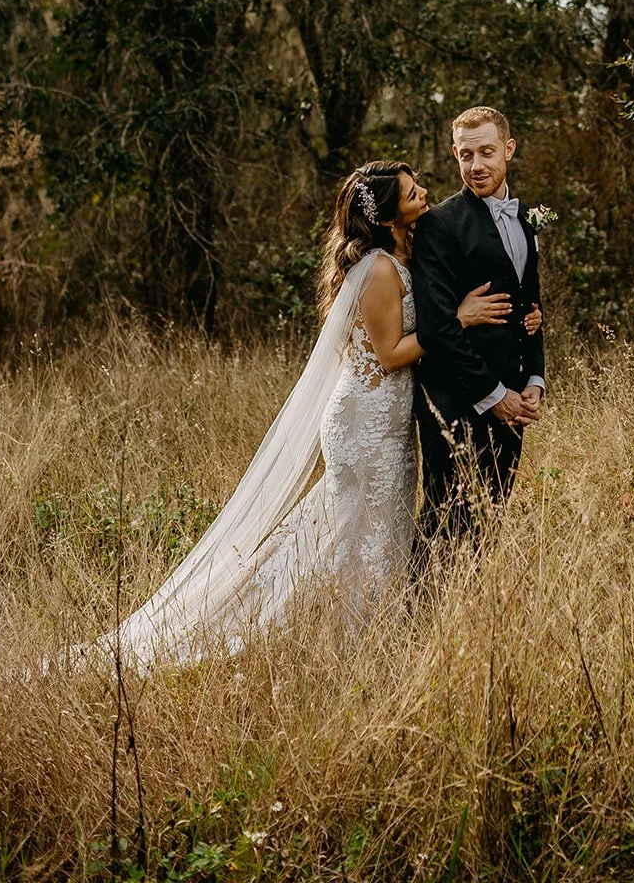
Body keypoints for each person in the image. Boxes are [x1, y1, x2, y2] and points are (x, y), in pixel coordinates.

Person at [92, 160, 506, 670]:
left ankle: (374, 645)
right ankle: (351, 650)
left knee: (379, 531)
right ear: (386, 213)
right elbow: (390, 353)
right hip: (365, 418)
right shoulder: (376, 268)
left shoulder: (408, 249)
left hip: (392, 418)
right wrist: (457, 321)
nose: (423, 192)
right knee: (362, 537)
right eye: (411, 190)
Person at [411, 106, 546, 550]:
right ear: (455, 153)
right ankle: (416, 620)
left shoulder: (527, 218)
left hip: (513, 405)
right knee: (442, 532)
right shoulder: (437, 225)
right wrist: (495, 395)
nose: (476, 166)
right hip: (456, 406)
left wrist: (534, 381)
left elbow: (531, 305)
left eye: (487, 152)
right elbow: (435, 330)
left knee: (486, 532)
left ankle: (465, 620)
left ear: (508, 149)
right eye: (466, 155)